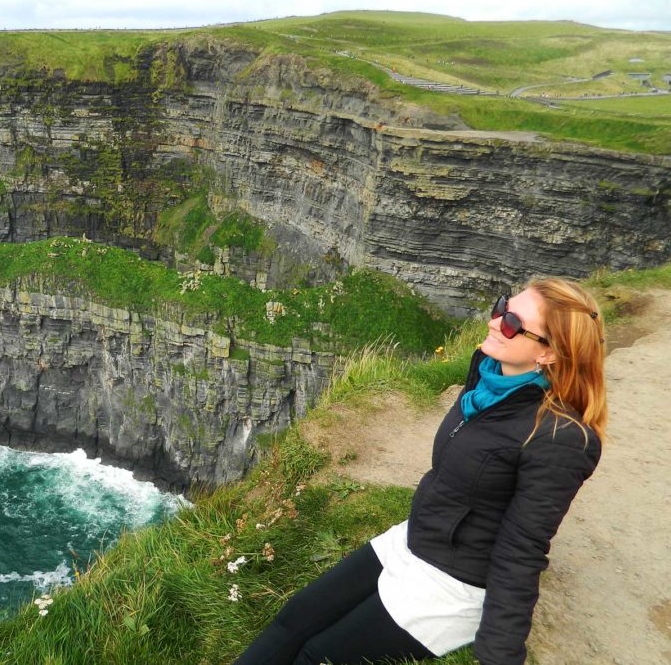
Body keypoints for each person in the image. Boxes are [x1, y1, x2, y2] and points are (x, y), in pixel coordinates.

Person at [235, 278, 606, 665]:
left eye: (513, 322)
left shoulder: (560, 438)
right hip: (416, 538)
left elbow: (523, 547)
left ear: (549, 354)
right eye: (501, 308)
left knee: (318, 656)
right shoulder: (489, 377)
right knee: (292, 621)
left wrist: (500, 653)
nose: (496, 322)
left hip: (453, 582)